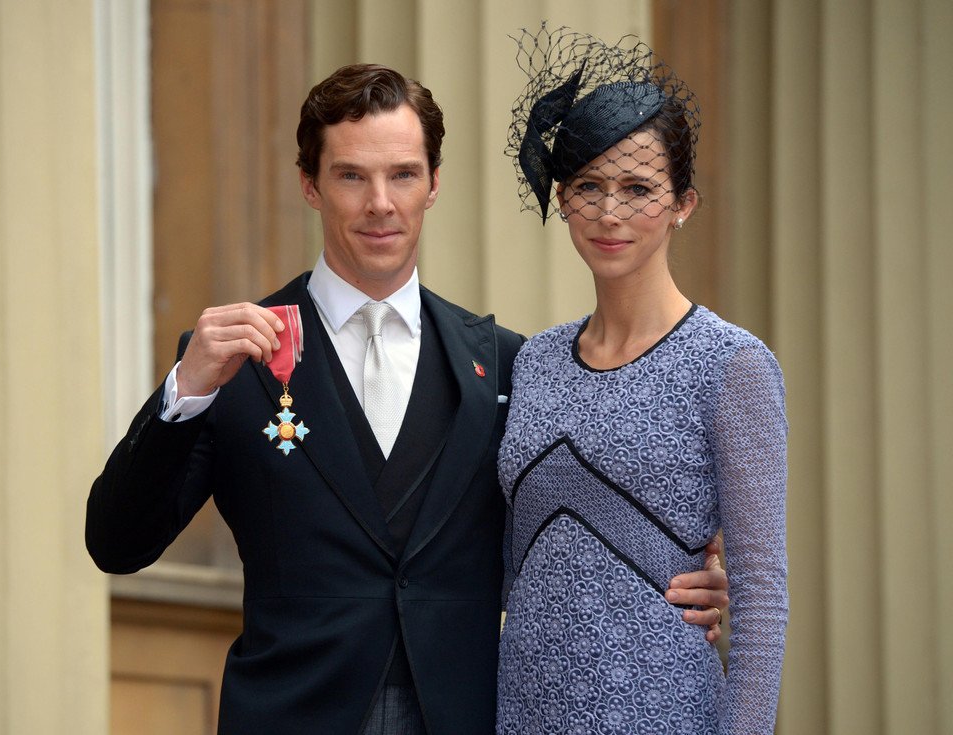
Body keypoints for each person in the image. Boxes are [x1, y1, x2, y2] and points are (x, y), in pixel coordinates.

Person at [86, 62, 729, 735]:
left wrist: (677, 572)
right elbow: (116, 543)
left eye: (402, 175)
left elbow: (560, 529)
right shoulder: (231, 362)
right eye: (351, 176)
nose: (380, 204)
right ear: (310, 185)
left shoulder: (506, 362)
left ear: (433, 185)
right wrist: (184, 390)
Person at [496, 26, 788, 734]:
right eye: (588, 187)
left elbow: (761, 600)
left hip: (665, 711)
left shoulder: (731, 364)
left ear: (684, 203)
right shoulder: (534, 360)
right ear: (563, 198)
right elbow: (507, 560)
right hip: (523, 711)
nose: (610, 212)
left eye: (638, 189)